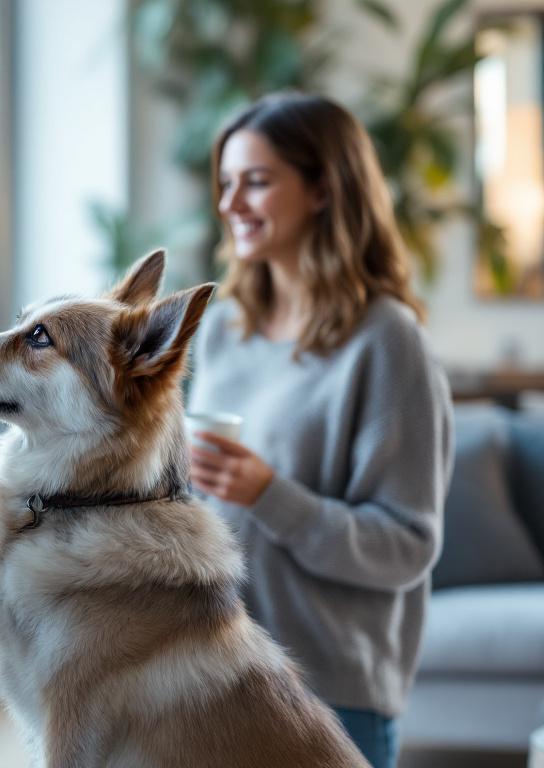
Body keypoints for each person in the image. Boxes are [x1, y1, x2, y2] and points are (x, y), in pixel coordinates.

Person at [186, 92, 454, 768]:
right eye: (225, 183)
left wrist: (268, 493)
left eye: (256, 181)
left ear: (323, 190)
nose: (230, 203)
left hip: (329, 694)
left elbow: (406, 547)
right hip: (211, 670)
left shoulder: (387, 341)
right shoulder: (224, 328)